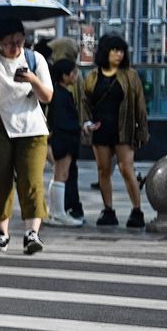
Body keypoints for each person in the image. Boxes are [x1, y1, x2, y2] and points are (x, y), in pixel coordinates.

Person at [0, 19, 53, 253]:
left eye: (19, 41)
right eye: (8, 43)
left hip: (32, 128)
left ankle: (31, 232)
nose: (15, 47)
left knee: (31, 180)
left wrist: (33, 79)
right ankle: (1, 233)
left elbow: (47, 97)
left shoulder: (35, 60)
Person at [83, 34, 149, 228]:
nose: (119, 54)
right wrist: (87, 122)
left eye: (121, 51)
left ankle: (137, 210)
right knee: (103, 170)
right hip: (101, 129)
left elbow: (140, 106)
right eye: (114, 50)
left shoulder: (130, 76)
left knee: (126, 169)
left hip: (124, 129)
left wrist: (142, 131)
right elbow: (85, 102)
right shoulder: (93, 76)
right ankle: (108, 210)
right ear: (105, 51)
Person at [47, 58, 85, 226]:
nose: (76, 76)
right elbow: (63, 121)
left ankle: (56, 212)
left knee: (60, 174)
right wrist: (79, 127)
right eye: (73, 73)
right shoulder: (61, 95)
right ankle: (58, 213)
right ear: (64, 75)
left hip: (62, 139)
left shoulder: (59, 93)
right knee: (61, 175)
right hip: (64, 140)